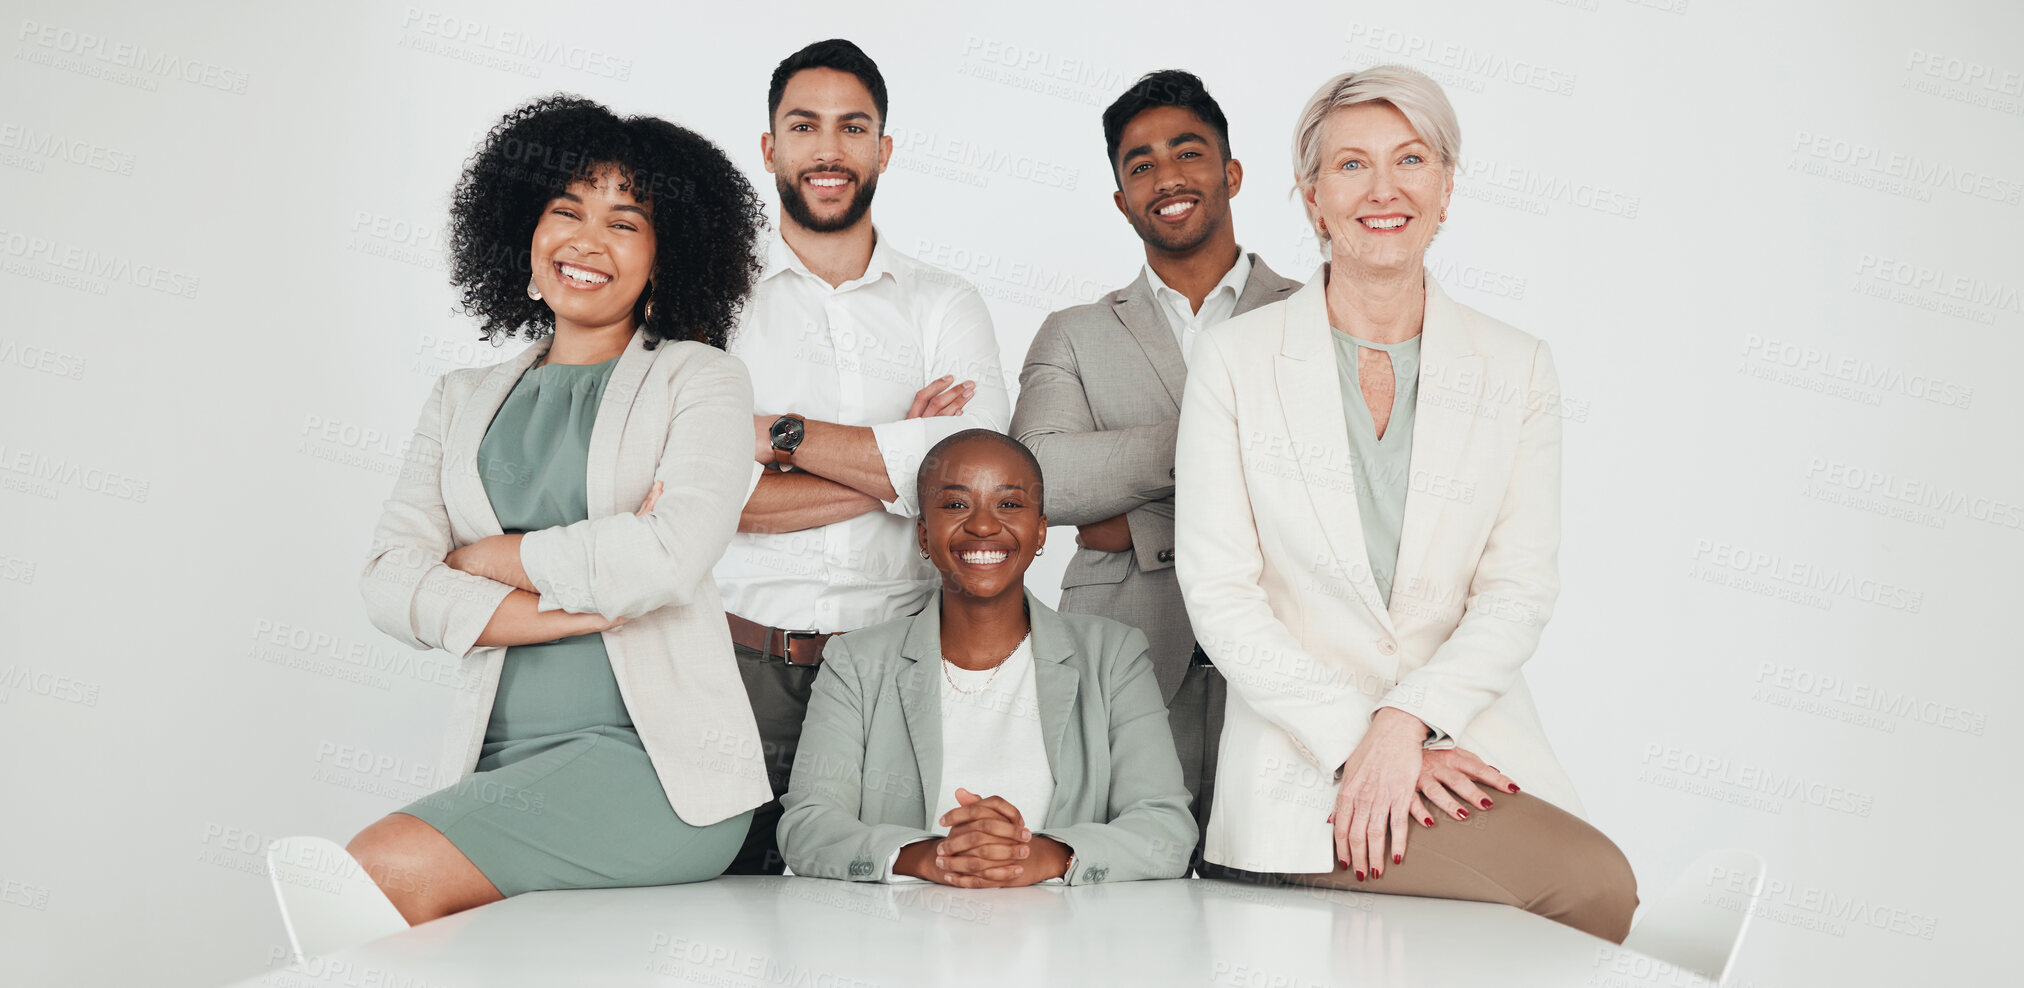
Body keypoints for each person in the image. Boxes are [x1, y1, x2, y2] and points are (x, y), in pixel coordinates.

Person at [1174, 65, 1639, 941]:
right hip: (1301, 769)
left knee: (1590, 895)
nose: (1383, 190)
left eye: (1411, 159)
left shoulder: (1518, 366)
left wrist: (1408, 721)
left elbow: (1519, 589)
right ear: (1311, 200)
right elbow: (1220, 596)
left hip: (1459, 734)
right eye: (1351, 166)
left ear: (1446, 188)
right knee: (1592, 893)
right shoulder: (1234, 360)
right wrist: (1360, 738)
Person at [348, 95, 772, 922]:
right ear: (523, 231)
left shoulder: (701, 379)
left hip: (658, 770)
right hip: (496, 760)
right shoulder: (459, 398)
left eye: (624, 223)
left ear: (666, 254)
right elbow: (386, 583)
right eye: (565, 211)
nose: (586, 240)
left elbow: (669, 557)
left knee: (379, 868)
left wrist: (482, 560)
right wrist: (591, 601)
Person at [714, 39, 1012, 875]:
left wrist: (781, 437)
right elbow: (703, 493)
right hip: (739, 667)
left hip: (895, 667)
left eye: (854, 127)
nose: (829, 149)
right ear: (771, 148)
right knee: (717, 908)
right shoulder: (714, 305)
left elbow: (978, 478)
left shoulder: (945, 303)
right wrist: (904, 475)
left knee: (886, 911)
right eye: (804, 126)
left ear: (883, 149)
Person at [1011, 70, 1299, 869]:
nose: (1165, 176)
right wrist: (1225, 436)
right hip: (1125, 653)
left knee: (1275, 894)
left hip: (1287, 654)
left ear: (1231, 173)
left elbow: (1329, 484)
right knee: (1120, 895)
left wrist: (1128, 525)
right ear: (1120, 199)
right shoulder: (1071, 333)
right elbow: (1038, 484)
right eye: (1139, 164)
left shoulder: (1316, 314)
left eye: (1187, 152)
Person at [777, 429, 1196, 886]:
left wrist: (1048, 855)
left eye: (1010, 504)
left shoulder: (1113, 656)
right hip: (898, 941)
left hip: (1070, 942)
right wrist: (929, 856)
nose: (982, 525)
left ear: (1040, 532)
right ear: (923, 533)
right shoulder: (856, 663)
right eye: (956, 505)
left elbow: (1167, 830)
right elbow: (807, 827)